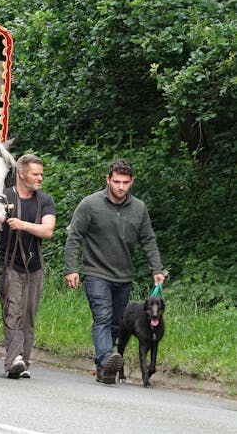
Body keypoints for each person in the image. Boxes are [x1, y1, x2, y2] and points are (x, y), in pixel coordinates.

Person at [64, 159, 166, 384]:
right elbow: (74, 238)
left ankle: (104, 368)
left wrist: (156, 268)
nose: (121, 187)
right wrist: (71, 269)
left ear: (132, 182)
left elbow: (148, 239)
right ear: (108, 180)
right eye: (117, 181)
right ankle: (106, 358)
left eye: (126, 182)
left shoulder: (139, 208)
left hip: (123, 275)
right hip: (96, 272)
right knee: (102, 317)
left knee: (116, 323)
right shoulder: (90, 205)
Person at [0, 154, 56, 379]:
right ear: (22, 174)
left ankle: (23, 362)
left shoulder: (45, 201)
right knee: (13, 312)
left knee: (28, 315)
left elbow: (48, 230)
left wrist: (23, 225)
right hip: (8, 265)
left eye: (41, 174)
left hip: (34, 267)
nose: (40, 178)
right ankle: (14, 360)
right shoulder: (4, 196)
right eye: (35, 174)